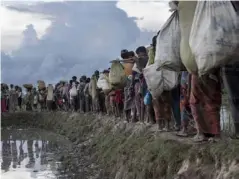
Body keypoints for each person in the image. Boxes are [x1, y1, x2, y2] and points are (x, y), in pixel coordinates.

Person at [130, 46, 149, 122]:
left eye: (139, 53)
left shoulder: (142, 60)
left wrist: (137, 61)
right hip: (145, 82)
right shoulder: (147, 58)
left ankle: (142, 119)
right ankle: (143, 119)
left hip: (141, 83)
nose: (138, 55)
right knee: (143, 101)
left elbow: (140, 70)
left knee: (140, 101)